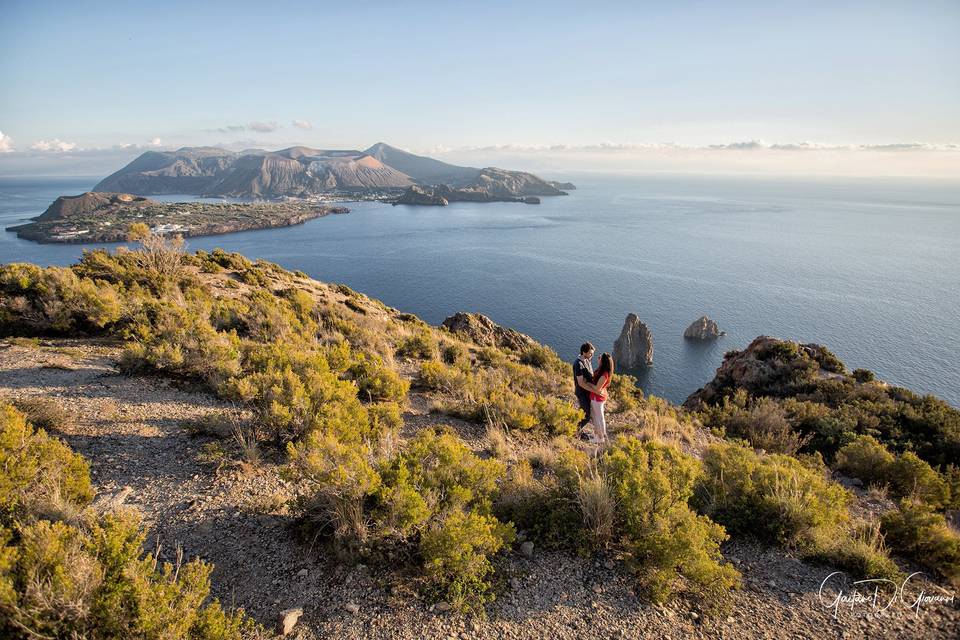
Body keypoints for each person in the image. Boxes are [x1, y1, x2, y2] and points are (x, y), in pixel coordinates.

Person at [573, 342, 605, 439]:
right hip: (582, 393)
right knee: (586, 416)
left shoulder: (586, 360)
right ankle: (575, 432)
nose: (592, 355)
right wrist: (596, 391)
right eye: (590, 353)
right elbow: (581, 383)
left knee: (584, 413)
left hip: (587, 392)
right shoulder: (578, 364)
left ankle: (577, 430)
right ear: (584, 352)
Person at [589, 353, 614, 444]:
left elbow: (597, 388)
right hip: (598, 397)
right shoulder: (602, 370)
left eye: (600, 357)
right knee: (597, 417)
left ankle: (600, 438)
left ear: (603, 361)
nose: (598, 358)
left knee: (598, 417)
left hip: (597, 398)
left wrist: (586, 383)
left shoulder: (604, 374)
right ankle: (597, 435)